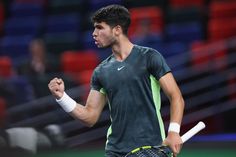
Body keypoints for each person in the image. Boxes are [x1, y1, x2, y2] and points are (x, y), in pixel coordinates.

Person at [48, 4, 185, 157]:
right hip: (114, 151)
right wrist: (62, 97)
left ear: (117, 30)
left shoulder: (150, 57)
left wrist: (173, 132)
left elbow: (176, 97)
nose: (94, 33)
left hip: (150, 147)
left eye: (99, 28)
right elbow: (90, 117)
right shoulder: (101, 71)